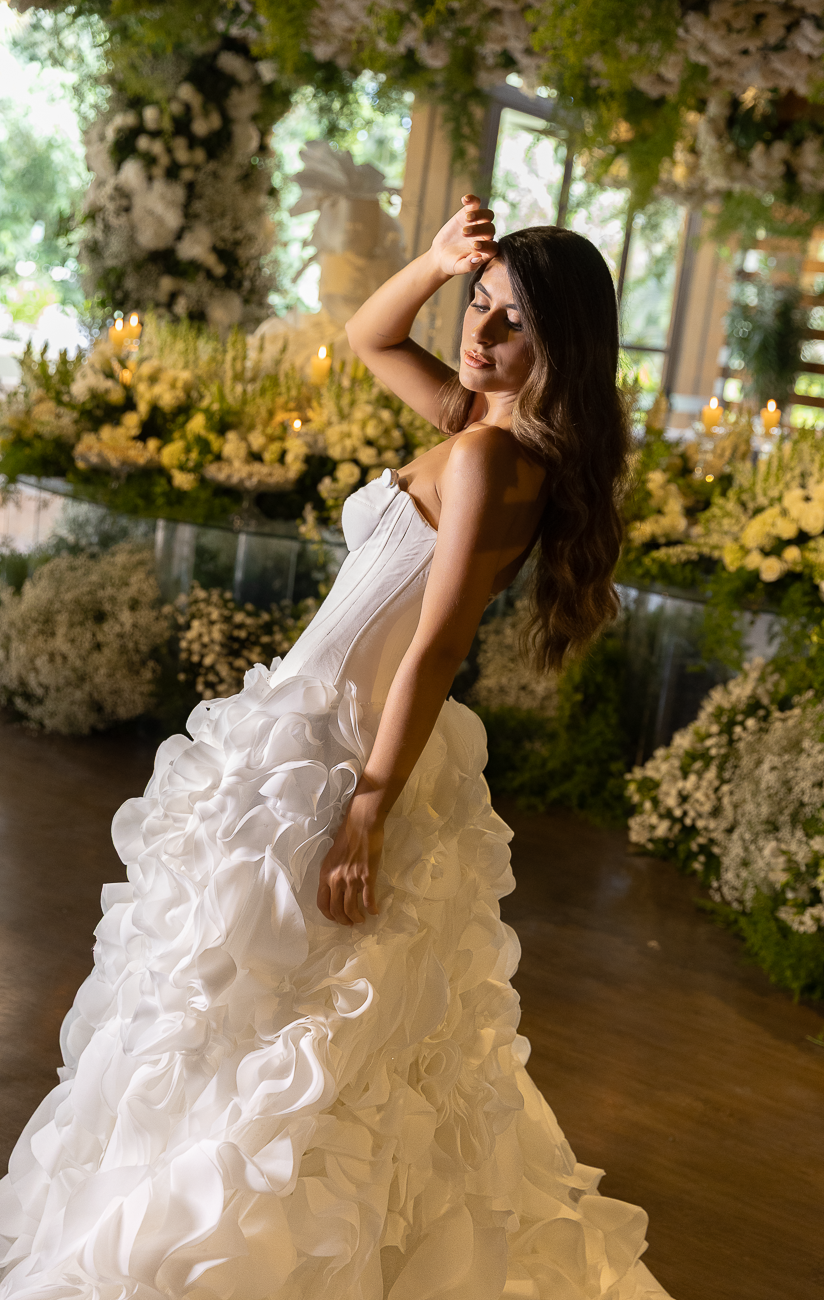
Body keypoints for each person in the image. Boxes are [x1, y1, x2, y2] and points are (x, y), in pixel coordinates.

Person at [0, 198, 671, 1299]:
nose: (482, 333)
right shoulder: (480, 427)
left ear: (561, 353)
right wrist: (435, 260)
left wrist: (365, 807)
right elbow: (369, 337)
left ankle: (240, 1244)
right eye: (482, 305)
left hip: (341, 751)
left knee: (279, 1012)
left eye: (513, 325)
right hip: (307, 731)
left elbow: (437, 647)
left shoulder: (496, 459)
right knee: (228, 998)